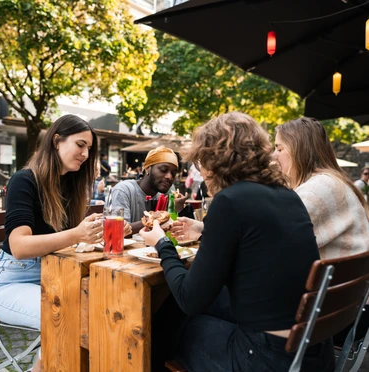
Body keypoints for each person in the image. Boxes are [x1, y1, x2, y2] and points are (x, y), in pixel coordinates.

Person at [140, 112, 334, 372]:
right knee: (183, 310)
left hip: (267, 359)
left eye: (200, 161)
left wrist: (162, 244)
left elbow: (190, 298)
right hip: (312, 351)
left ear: (215, 159)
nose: (200, 170)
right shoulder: (288, 196)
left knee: (173, 320)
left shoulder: (230, 201)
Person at [0, 115, 130, 372]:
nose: (85, 154)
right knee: (68, 319)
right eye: (80, 145)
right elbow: (19, 246)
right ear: (57, 141)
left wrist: (96, 230)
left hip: (55, 278)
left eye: (89, 149)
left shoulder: (69, 185)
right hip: (10, 284)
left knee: (109, 309)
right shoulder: (24, 180)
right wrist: (76, 234)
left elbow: (68, 239)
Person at [274, 117, 369, 260]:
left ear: (299, 150)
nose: (273, 155)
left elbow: (275, 240)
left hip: (328, 281)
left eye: (279, 149)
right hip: (341, 279)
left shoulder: (317, 189)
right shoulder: (329, 182)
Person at [111, 146, 187, 234]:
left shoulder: (165, 195)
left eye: (173, 173)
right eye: (163, 170)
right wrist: (167, 213)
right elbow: (118, 230)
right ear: (148, 168)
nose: (169, 177)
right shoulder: (123, 190)